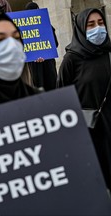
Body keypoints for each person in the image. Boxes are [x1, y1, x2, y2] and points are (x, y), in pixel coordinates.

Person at [57, 8, 111, 190]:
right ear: (81, 28)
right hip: (87, 132)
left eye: (100, 23)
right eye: (91, 24)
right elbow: (62, 99)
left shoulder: (109, 53)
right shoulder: (71, 60)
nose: (98, 28)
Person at [25, 2, 59, 91]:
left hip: (44, 63)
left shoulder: (46, 25)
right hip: (40, 64)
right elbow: (55, 44)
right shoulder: (46, 25)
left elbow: (54, 44)